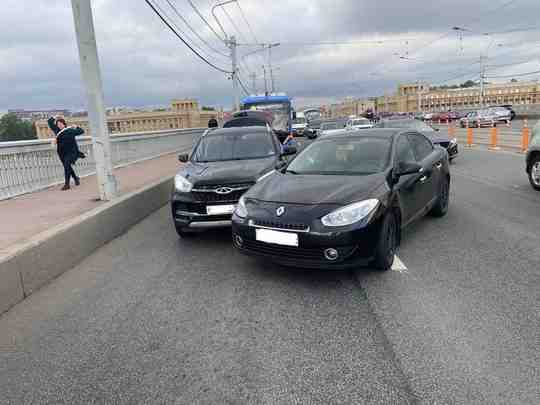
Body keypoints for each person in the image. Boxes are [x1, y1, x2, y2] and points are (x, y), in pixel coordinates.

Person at [47, 116, 85, 190]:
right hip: (62, 153)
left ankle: (67, 184)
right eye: (58, 124)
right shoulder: (57, 131)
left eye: (61, 124)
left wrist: (76, 127)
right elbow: (49, 122)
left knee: (67, 165)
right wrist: (56, 117)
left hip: (71, 152)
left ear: (64, 124)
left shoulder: (70, 130)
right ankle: (75, 178)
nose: (59, 125)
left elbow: (81, 131)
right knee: (67, 167)